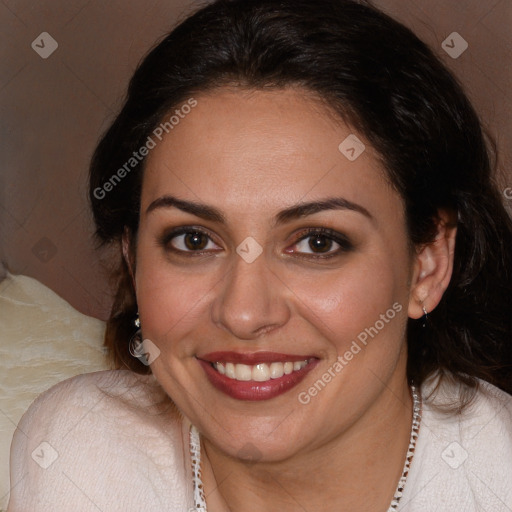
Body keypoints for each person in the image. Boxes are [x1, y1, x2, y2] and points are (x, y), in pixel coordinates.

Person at [8, 0, 512, 510]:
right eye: (194, 240)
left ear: (426, 264)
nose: (244, 313)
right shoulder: (77, 455)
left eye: (318, 242)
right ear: (133, 260)